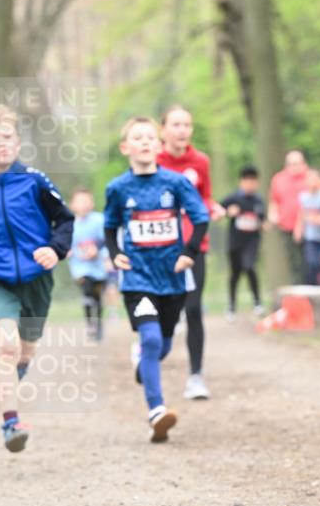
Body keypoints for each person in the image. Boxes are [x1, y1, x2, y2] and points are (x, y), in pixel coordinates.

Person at [0, 106, 74, 452]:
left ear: (18, 143)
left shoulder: (35, 181)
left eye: (7, 137)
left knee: (26, 349)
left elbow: (64, 221)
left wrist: (56, 250)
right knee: (6, 348)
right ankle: (11, 422)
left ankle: (12, 375)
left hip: (38, 279)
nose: (1, 143)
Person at [104, 116, 209, 442]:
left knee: (162, 344)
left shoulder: (176, 183)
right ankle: (157, 411)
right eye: (138, 138)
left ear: (159, 145)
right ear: (126, 148)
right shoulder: (118, 188)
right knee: (149, 340)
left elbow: (201, 217)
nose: (146, 142)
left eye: (151, 137)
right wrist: (114, 253)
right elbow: (109, 226)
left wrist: (189, 252)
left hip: (173, 276)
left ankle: (143, 366)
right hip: (137, 276)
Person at [157, 105, 224, 400]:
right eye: (176, 124)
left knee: (194, 309)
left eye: (187, 124)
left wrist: (213, 207)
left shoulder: (200, 161)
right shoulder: (153, 161)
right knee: (166, 308)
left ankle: (196, 376)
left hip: (195, 245)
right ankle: (150, 347)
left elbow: (204, 196)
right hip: (160, 247)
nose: (182, 130)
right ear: (164, 130)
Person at [220, 165, 266, 318]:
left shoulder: (258, 200)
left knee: (249, 266)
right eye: (247, 181)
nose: (250, 185)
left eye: (253, 181)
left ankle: (257, 302)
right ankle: (232, 306)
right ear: (241, 182)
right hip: (235, 242)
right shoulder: (233, 198)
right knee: (235, 274)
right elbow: (217, 209)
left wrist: (265, 223)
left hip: (252, 242)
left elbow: (263, 220)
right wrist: (228, 212)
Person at [67, 187, 108, 341]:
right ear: (72, 205)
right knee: (86, 290)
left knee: (97, 297)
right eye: (79, 201)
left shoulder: (99, 220)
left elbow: (105, 239)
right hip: (80, 267)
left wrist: (96, 249)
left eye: (86, 201)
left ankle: (98, 323)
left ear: (91, 203)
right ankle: (90, 322)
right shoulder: (69, 223)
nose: (83, 205)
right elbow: (65, 242)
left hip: (99, 267)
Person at [268, 149, 309, 284]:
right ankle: (296, 290)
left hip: (309, 228)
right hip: (286, 227)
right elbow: (274, 201)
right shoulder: (278, 179)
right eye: (291, 164)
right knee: (292, 261)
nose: (295, 167)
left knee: (308, 261)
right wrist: (273, 215)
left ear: (304, 164)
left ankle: (309, 287)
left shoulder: (310, 178)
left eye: (297, 163)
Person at [294, 168, 320, 285]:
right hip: (311, 237)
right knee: (312, 263)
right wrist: (298, 230)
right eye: (309, 180)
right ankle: (312, 289)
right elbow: (301, 214)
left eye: (315, 179)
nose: (312, 183)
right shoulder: (303, 197)